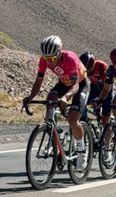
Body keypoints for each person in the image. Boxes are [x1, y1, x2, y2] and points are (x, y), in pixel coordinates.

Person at [23, 35, 90, 170]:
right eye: (47, 59)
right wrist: (30, 97)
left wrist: (66, 98)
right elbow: (39, 81)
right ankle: (52, 135)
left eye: (53, 58)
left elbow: (75, 85)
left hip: (81, 84)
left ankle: (82, 150)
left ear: (59, 53)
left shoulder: (70, 58)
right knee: (50, 100)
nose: (50, 62)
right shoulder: (44, 60)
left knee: (72, 120)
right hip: (64, 83)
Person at [79, 52, 112, 127]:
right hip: (94, 85)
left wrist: (99, 99)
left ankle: (107, 136)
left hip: (105, 86)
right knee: (81, 101)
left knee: (105, 120)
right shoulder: (80, 68)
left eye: (89, 69)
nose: (87, 72)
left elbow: (106, 88)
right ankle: (86, 121)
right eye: (85, 70)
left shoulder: (101, 66)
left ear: (93, 65)